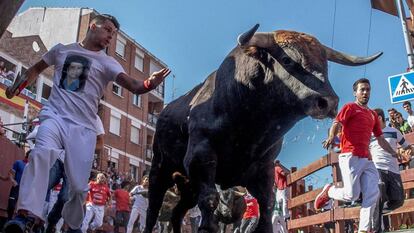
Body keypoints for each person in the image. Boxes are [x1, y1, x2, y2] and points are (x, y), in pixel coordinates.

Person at [3, 13, 170, 233]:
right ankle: (25, 216)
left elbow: (135, 86)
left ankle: (73, 225)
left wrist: (151, 83)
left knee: (79, 188)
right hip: (54, 116)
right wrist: (19, 85)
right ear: (93, 26)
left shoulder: (108, 63)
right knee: (40, 154)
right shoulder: (61, 50)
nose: (111, 36)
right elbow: (35, 69)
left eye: (114, 33)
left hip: (83, 128)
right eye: (108, 30)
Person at [315, 78, 398, 233]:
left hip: (367, 159)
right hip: (350, 156)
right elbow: (336, 123)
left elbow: (380, 139)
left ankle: (363, 230)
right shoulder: (350, 107)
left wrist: (393, 153)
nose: (366, 92)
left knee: (373, 193)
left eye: (368, 89)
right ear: (355, 93)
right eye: (362, 90)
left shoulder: (373, 115)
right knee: (351, 195)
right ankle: (330, 191)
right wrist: (331, 136)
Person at [370, 108, 410, 233]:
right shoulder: (369, 134)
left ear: (380, 118)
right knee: (379, 196)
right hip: (377, 168)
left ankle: (377, 212)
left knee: (399, 201)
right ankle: (376, 228)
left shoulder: (394, 131)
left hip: (393, 170)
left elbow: (406, 146)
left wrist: (408, 150)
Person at [0, 150, 29, 220]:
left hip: (25, 190)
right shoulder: (18, 163)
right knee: (11, 206)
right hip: (16, 188)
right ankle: (9, 220)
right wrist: (13, 181)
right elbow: (10, 174)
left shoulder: (31, 167)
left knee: (22, 210)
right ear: (27, 156)